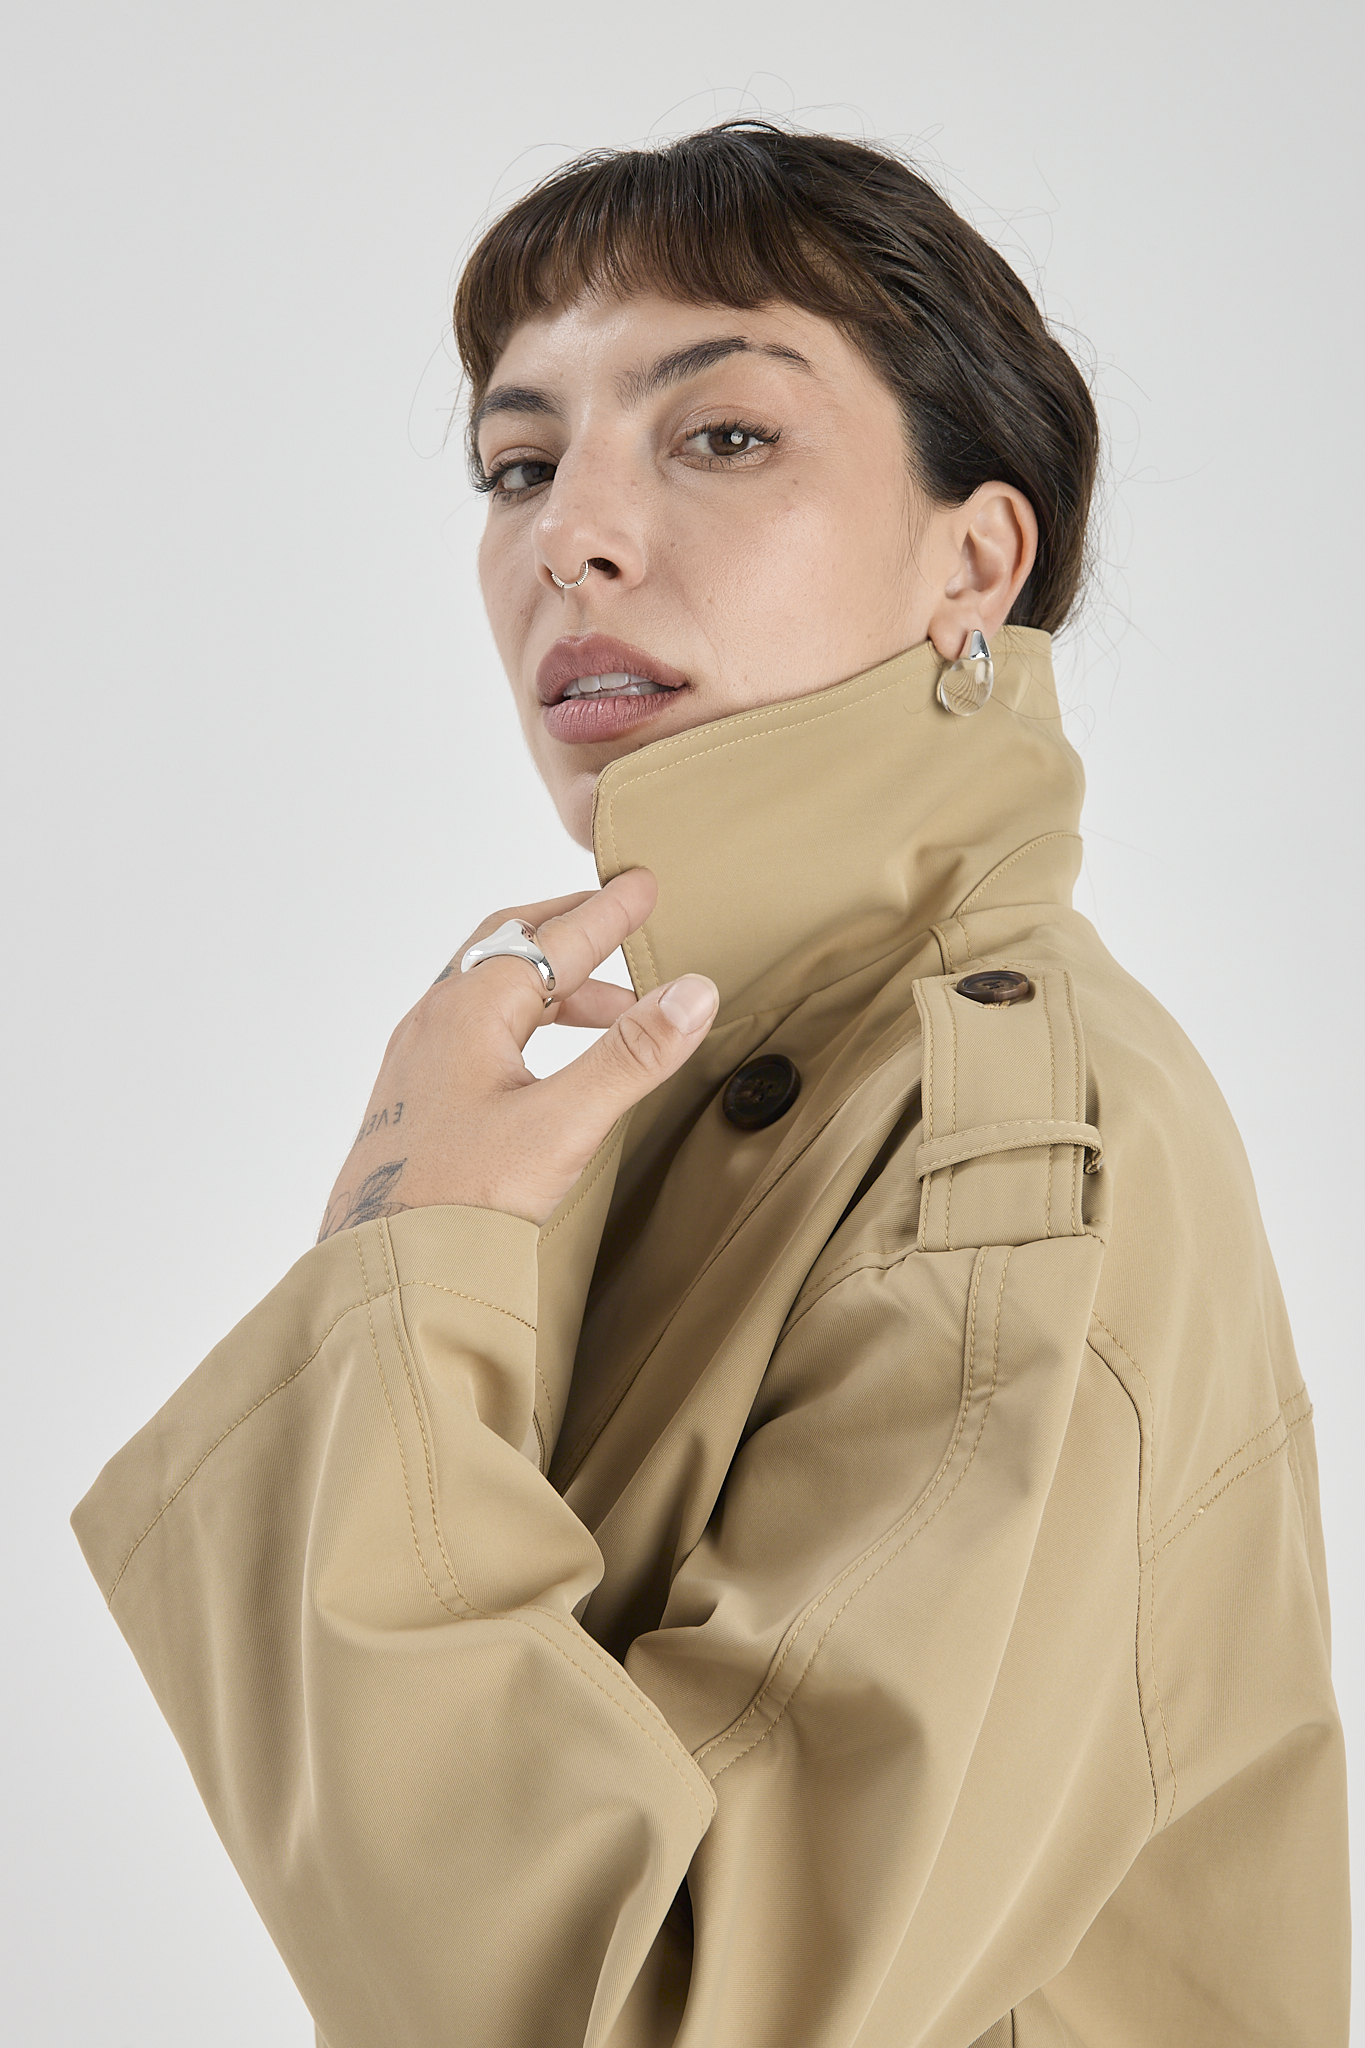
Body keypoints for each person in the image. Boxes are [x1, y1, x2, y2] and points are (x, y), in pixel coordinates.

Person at [71, 122, 1349, 2048]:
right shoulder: (715, 1081)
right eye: (519, 465)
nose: (568, 535)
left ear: (973, 561)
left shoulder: (1007, 1142)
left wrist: (414, 1264)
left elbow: (670, 2007)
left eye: (722, 434)